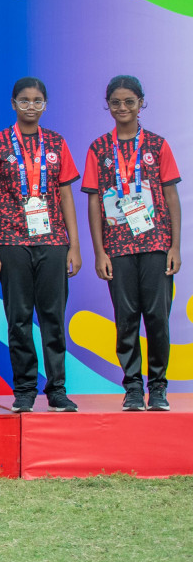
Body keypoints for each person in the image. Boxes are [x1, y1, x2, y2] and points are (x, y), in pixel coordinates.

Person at [0, 77, 82, 413]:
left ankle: (57, 389)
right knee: (19, 317)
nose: (31, 107)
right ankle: (24, 389)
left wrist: (74, 246)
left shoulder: (56, 143)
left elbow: (66, 195)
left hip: (52, 240)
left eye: (38, 101)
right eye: (24, 101)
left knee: (52, 316)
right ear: (13, 104)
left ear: (45, 105)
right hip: (11, 241)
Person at [82, 74, 182, 411]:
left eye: (129, 101)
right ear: (108, 105)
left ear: (141, 104)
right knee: (126, 319)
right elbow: (94, 201)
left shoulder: (158, 145)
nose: (122, 107)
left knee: (157, 318)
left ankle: (158, 388)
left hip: (155, 244)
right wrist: (100, 252)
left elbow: (171, 196)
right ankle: (133, 389)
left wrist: (175, 247)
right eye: (116, 102)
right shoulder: (98, 149)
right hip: (118, 248)